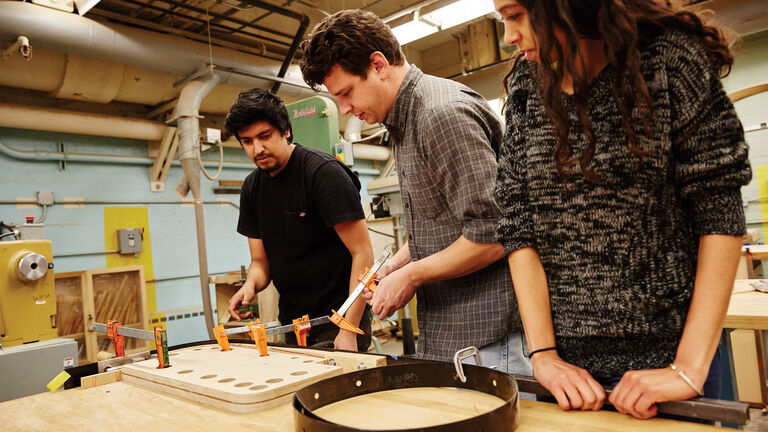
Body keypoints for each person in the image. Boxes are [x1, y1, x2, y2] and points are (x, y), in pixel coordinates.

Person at [493, 0, 751, 419]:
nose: (509, 36)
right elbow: (517, 224)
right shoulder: (528, 83)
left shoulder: (669, 62)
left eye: (516, 15)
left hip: (672, 365)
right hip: (567, 376)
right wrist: (544, 354)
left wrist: (687, 368)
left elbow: (719, 210)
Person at [299, 10, 530, 375]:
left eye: (346, 93)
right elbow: (450, 219)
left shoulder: (439, 115)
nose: (343, 108)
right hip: (453, 336)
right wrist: (397, 264)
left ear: (378, 65)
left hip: (488, 341)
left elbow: (494, 235)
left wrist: (411, 277)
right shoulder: (405, 120)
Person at [225, 88, 374, 352]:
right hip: (294, 324)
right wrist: (250, 285)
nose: (257, 148)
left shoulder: (322, 173)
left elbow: (362, 254)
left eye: (265, 136)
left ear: (286, 131)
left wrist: (349, 329)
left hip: (339, 320)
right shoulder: (251, 188)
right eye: (247, 141)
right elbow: (260, 262)